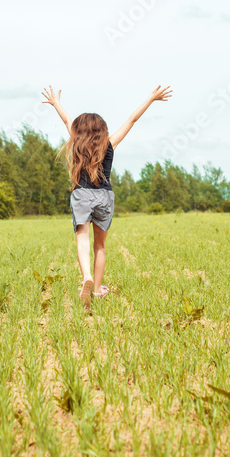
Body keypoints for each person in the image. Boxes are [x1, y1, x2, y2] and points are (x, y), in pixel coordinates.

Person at [41, 85, 173, 312]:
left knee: (82, 239)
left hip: (81, 194)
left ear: (79, 130)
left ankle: (86, 277)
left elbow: (66, 121)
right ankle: (97, 289)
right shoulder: (109, 144)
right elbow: (132, 120)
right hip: (105, 196)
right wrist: (150, 98)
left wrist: (56, 104)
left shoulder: (76, 142)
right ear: (102, 130)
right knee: (100, 246)